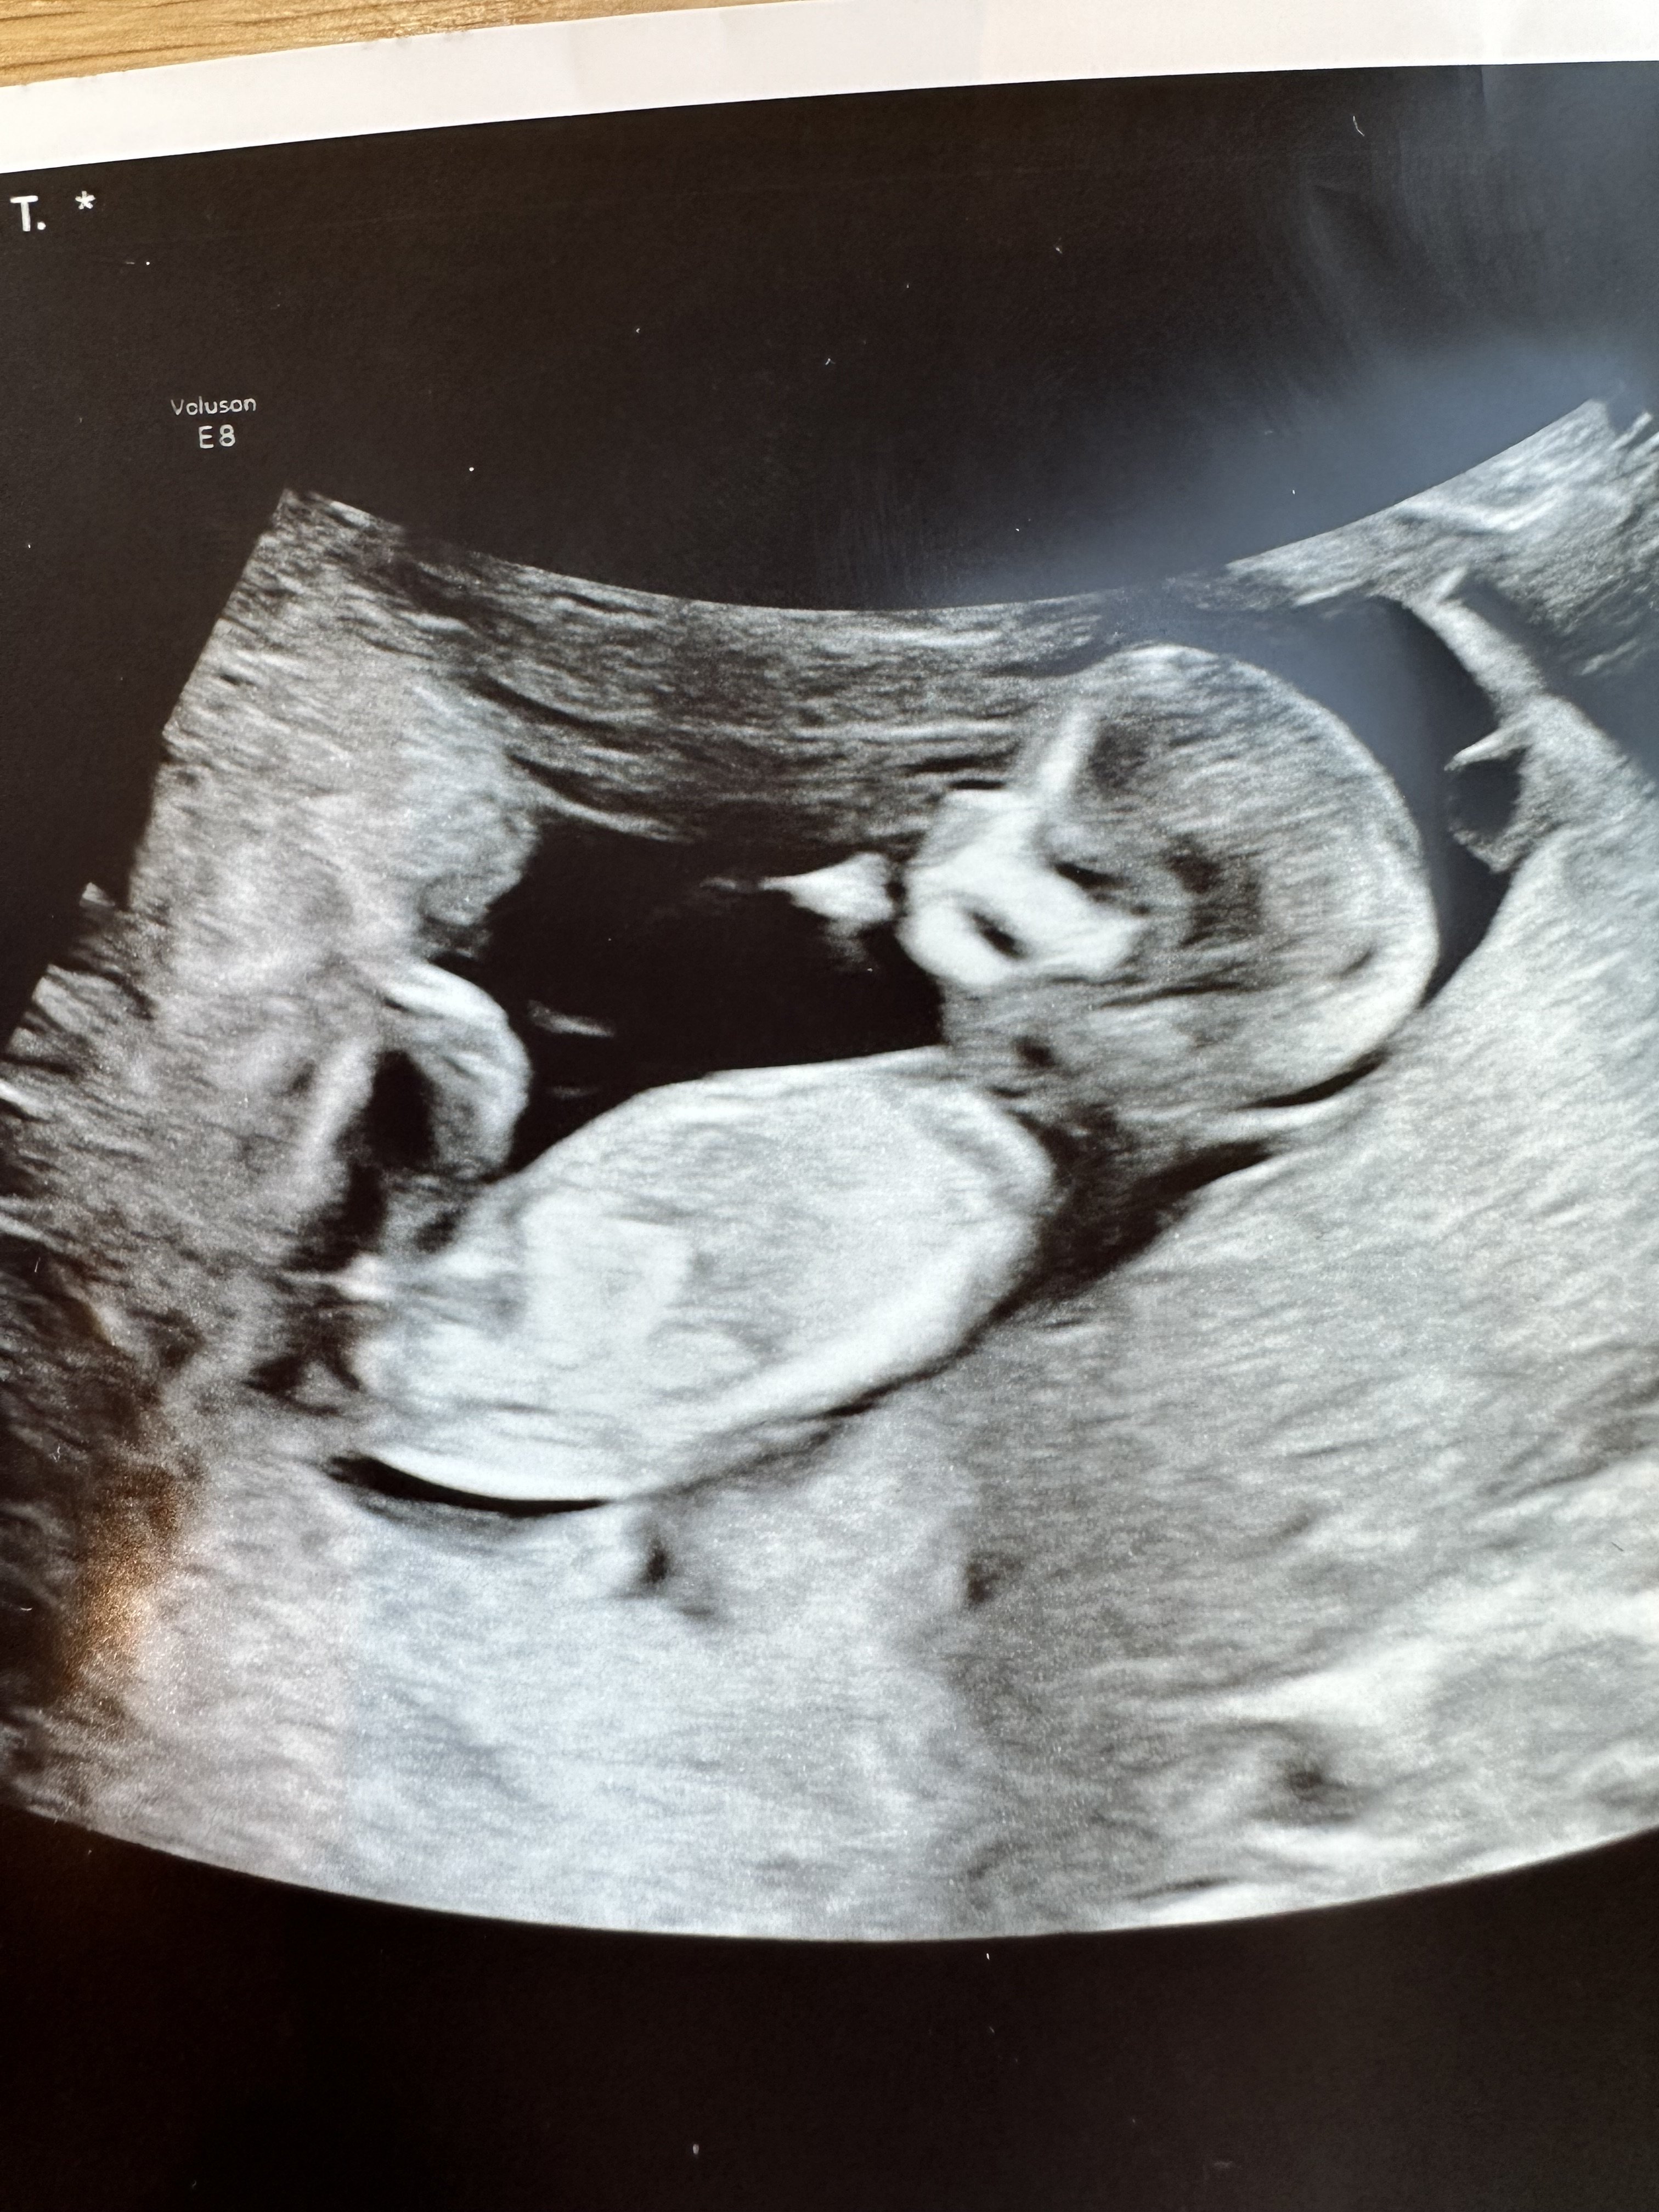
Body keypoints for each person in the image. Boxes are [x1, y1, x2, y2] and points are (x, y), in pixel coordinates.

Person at [348, 643, 1438, 1504]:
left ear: (1163, 1024)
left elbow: (503, 1372)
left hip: (435, 1384)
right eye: (1012, 785)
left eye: (1069, 863)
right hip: (462, 1346)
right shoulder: (955, 1121)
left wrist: (448, 1126)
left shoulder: (906, 1184)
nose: (969, 822)